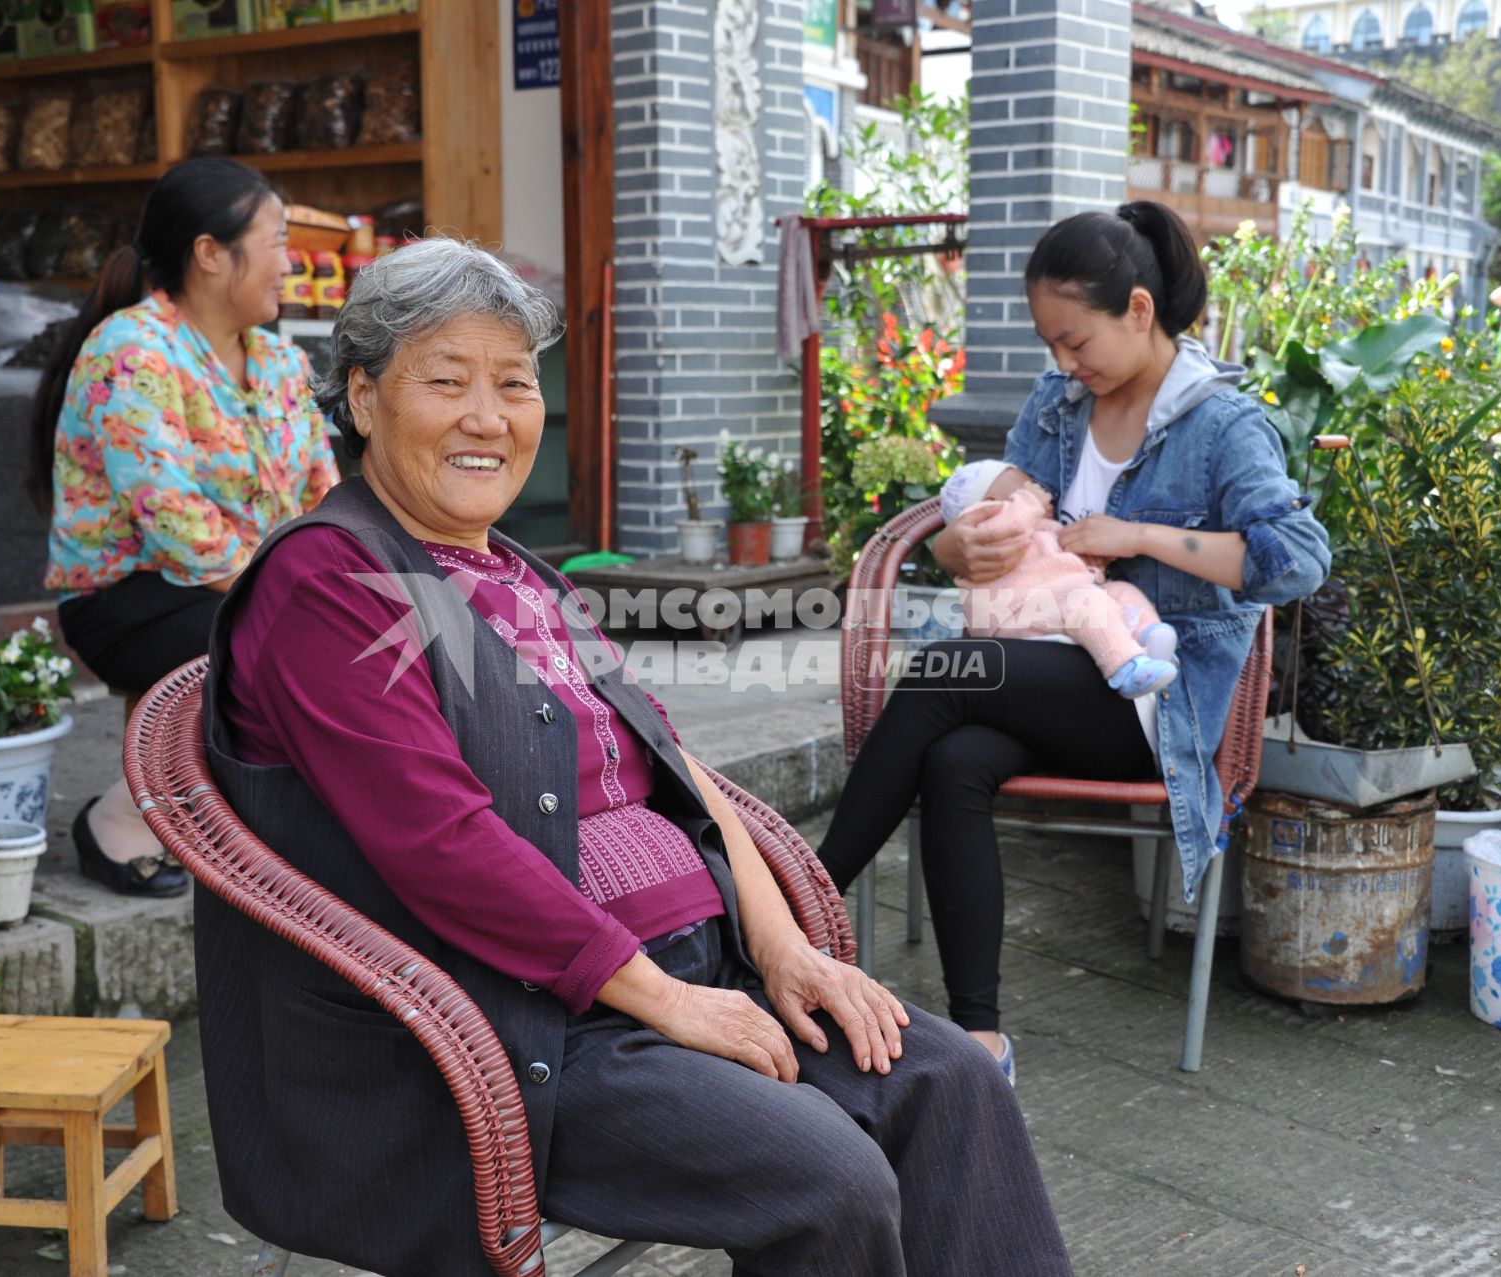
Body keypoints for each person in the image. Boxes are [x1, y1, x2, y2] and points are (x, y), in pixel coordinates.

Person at [195, 238, 1076, 1277]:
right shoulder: (332, 582)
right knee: (830, 1179)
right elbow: (443, 844)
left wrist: (785, 947)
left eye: (515, 383)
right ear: (365, 395)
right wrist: (669, 998)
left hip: (690, 967)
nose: (489, 416)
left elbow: (674, 761)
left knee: (953, 1082)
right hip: (526, 1029)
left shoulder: (520, 571)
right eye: (448, 380)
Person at [815, 200, 1331, 1080]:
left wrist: (1138, 536)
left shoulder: (1222, 425)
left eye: (1076, 341)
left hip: (1153, 697)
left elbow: (1297, 562)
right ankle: (983, 1043)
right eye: (1050, 344)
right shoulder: (1060, 406)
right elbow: (977, 535)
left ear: (1138, 309)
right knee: (955, 759)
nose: (1062, 364)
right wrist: (954, 545)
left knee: (946, 671)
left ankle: (792, 915)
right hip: (1048, 667)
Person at [30, 157, 339, 896]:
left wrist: (337, 579)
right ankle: (120, 820)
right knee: (281, 650)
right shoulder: (132, 351)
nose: (289, 263)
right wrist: (299, 598)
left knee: (342, 637)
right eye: (277, 240)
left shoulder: (281, 361)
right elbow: (176, 522)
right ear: (210, 253)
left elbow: (322, 492)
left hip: (239, 588)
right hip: (126, 598)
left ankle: (227, 820)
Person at [939, 458, 1179, 698]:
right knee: (1086, 603)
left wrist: (1093, 564)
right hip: (1012, 611)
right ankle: (1126, 668)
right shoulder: (985, 527)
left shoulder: (1041, 529)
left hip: (1052, 598)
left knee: (1120, 590)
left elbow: (1062, 564)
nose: (1042, 492)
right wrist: (1029, 500)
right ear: (990, 503)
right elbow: (1009, 527)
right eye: (1026, 486)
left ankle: (1148, 636)